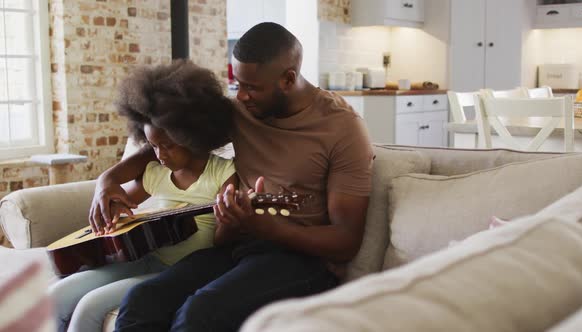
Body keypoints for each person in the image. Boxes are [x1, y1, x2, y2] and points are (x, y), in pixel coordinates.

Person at [91, 22, 374, 332]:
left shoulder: (342, 129)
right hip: (241, 246)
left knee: (201, 313)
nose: (241, 97)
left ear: (288, 79)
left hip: (303, 261)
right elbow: (171, 142)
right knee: (141, 300)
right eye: (237, 83)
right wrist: (107, 180)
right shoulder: (244, 110)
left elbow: (346, 241)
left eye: (251, 87)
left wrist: (269, 229)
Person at [49, 60, 238, 332]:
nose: (160, 154)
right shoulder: (156, 171)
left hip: (177, 273)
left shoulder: (223, 174)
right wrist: (112, 210)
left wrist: (230, 222)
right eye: (153, 146)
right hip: (145, 258)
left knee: (91, 306)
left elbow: (222, 244)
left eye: (168, 146)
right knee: (55, 297)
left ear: (193, 136)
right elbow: (123, 203)